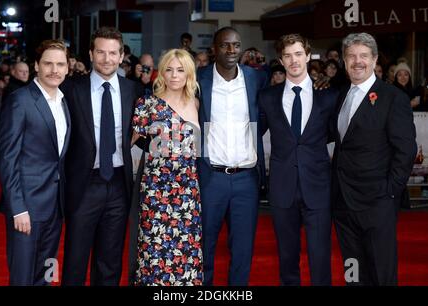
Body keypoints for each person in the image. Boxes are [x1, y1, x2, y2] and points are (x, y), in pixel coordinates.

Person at [332, 32, 417, 286]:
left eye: (364, 56)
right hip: (343, 205)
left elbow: (406, 151)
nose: (358, 61)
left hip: (377, 204)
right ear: (345, 62)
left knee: (381, 273)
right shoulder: (341, 95)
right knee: (353, 273)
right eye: (351, 56)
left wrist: (389, 192)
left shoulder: (393, 98)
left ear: (375, 59)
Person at [61, 27, 143, 286]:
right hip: (84, 185)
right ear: (90, 54)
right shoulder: (71, 90)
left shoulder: (135, 91)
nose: (107, 59)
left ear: (121, 56)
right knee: (75, 261)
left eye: (112, 53)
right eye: (101, 52)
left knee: (110, 262)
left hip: (119, 184)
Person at [258, 34, 337, 286]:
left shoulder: (328, 95)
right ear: (281, 60)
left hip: (318, 188)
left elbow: (338, 134)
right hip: (283, 189)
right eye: (288, 55)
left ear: (307, 55)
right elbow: (252, 132)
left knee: (320, 258)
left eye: (298, 54)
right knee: (287, 259)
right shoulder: (267, 97)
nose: (294, 60)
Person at [197, 27, 267, 286]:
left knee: (242, 251)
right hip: (210, 178)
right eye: (225, 45)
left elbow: (264, 117)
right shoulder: (199, 79)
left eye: (236, 45)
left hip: (246, 180)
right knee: (204, 247)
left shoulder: (255, 79)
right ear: (214, 49)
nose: (231, 51)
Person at [0, 39, 70, 285]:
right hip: (27, 206)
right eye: (48, 63)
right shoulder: (21, 100)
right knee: (22, 276)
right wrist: (18, 208)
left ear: (67, 68)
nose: (54, 70)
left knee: (45, 274)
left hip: (55, 207)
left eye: (60, 64)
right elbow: (8, 158)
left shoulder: (63, 101)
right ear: (36, 66)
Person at [131, 48, 203, 286]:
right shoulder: (147, 103)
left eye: (180, 70)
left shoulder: (197, 103)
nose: (174, 75)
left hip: (187, 192)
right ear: (161, 72)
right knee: (154, 256)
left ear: (188, 73)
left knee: (186, 257)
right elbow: (129, 146)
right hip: (156, 193)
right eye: (169, 69)